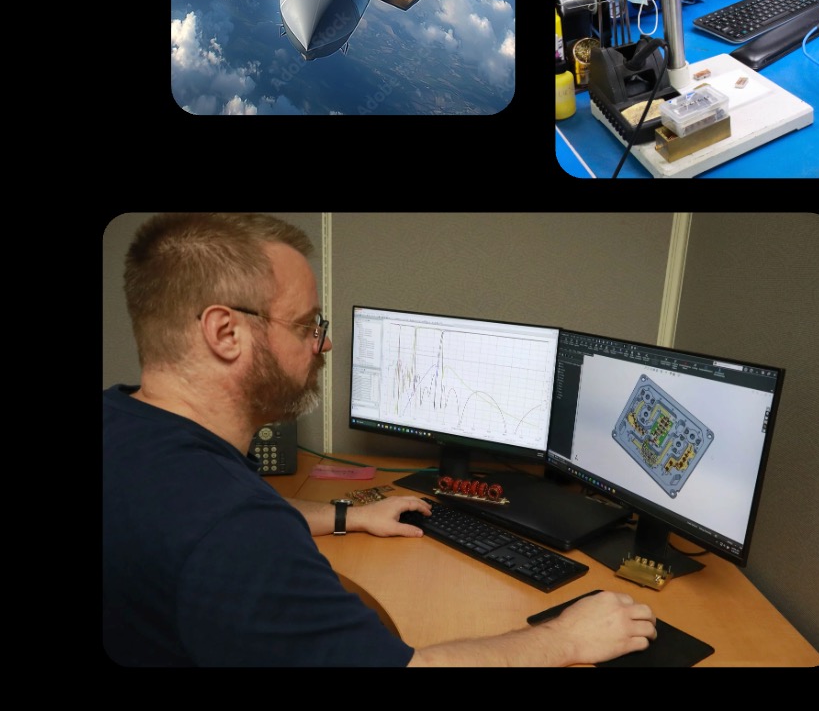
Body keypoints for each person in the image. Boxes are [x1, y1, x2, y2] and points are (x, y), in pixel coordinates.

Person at [104, 213, 657, 667]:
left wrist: (347, 516)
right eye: (306, 325)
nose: (323, 347)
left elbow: (213, 513)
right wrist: (566, 639)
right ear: (227, 333)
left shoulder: (124, 421)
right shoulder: (237, 532)